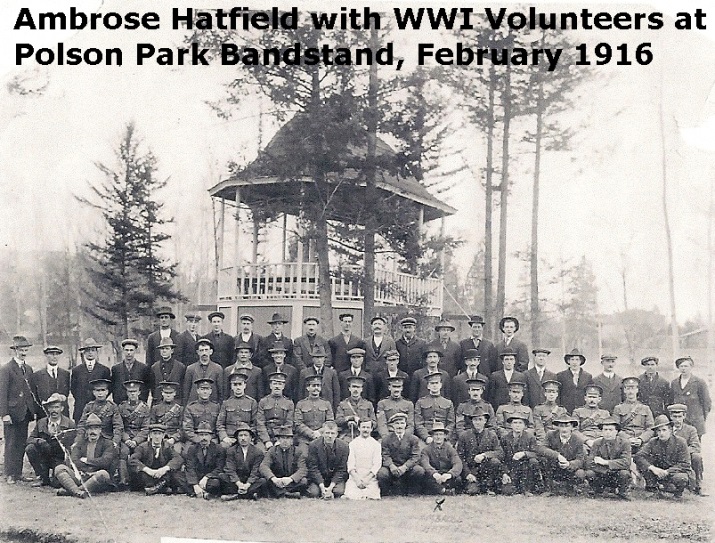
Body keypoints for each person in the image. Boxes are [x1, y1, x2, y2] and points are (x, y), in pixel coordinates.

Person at [1, 336, 37, 483]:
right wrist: (4, 414)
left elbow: (30, 392)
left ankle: (18, 472)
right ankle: (10, 474)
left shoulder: (28, 369)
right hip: (12, 413)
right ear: (15, 350)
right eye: (20, 349)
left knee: (22, 442)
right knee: (10, 443)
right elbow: (2, 393)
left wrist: (32, 410)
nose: (23, 352)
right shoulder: (6, 369)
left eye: (25, 349)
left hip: (25, 413)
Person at [55, 413, 117, 498]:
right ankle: (77, 491)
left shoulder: (108, 443)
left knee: (103, 473)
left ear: (100, 430)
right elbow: (73, 460)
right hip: (82, 475)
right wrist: (85, 471)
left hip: (97, 478)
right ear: (86, 431)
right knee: (59, 468)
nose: (93, 431)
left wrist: (87, 460)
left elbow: (105, 461)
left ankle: (72, 491)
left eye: (96, 428)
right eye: (90, 428)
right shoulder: (80, 443)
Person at [25, 393, 76, 487]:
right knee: (30, 448)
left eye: (56, 407)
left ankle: (56, 475)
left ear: (62, 409)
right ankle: (42, 477)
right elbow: (30, 439)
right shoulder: (41, 422)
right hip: (43, 457)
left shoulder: (69, 424)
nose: (54, 410)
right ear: (48, 409)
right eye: (51, 407)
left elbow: (73, 445)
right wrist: (39, 441)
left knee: (57, 484)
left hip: (59, 457)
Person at [635, 415, 691, 499]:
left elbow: (685, 464)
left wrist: (667, 471)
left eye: (664, 430)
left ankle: (677, 492)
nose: (661, 433)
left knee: (682, 478)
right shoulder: (653, 442)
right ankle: (653, 489)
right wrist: (653, 468)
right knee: (644, 465)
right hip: (657, 472)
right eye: (659, 431)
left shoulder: (681, 442)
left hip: (673, 472)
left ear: (670, 430)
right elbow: (638, 456)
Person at [457, 407, 503, 496]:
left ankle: (489, 486)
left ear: (485, 421)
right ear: (472, 421)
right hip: (471, 470)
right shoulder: (464, 436)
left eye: (480, 419)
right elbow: (459, 457)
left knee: (495, 461)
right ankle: (474, 485)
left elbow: (500, 452)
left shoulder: (491, 435)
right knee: (473, 491)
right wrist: (468, 474)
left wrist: (485, 455)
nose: (477, 422)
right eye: (475, 420)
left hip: (486, 471)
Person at [129, 423, 186, 495]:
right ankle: (161, 488)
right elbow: (132, 460)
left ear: (163, 436)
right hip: (148, 475)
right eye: (154, 434)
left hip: (162, 474)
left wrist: (165, 469)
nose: (157, 437)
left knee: (173, 474)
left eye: (159, 434)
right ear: (150, 435)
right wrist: (147, 470)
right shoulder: (143, 447)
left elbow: (178, 459)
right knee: (141, 475)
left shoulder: (167, 447)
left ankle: (157, 488)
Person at [537, 414, 587, 495]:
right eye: (561, 426)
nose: (564, 429)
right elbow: (541, 448)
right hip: (554, 467)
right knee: (543, 460)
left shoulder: (578, 440)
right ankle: (549, 489)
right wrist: (557, 456)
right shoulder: (551, 435)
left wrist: (569, 464)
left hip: (569, 469)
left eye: (567, 426)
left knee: (580, 473)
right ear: (558, 427)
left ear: (572, 427)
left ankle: (570, 488)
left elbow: (580, 459)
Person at [584, 417, 632, 500]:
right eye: (605, 430)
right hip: (601, 474)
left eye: (610, 430)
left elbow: (626, 462)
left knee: (624, 473)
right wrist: (606, 471)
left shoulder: (625, 443)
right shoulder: (597, 443)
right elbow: (590, 462)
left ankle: (622, 492)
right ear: (602, 431)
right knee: (589, 473)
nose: (607, 433)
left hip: (617, 475)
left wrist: (606, 462)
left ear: (616, 431)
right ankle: (597, 490)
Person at [377, 413, 423, 496]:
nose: (399, 426)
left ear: (405, 425)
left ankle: (412, 492)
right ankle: (387, 492)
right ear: (392, 426)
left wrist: (405, 467)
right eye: (397, 423)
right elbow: (385, 455)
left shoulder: (413, 439)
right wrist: (391, 466)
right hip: (392, 468)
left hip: (407, 468)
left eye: (402, 423)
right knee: (382, 473)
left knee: (419, 470)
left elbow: (415, 456)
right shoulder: (386, 439)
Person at [259, 424, 308, 498]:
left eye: (288, 438)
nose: (285, 441)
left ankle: (281, 493)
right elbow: (264, 466)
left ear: (292, 440)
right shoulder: (272, 450)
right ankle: (288, 494)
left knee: (303, 481)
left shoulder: (297, 451)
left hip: (290, 481)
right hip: (276, 481)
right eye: (282, 438)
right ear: (278, 440)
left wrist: (290, 479)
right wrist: (274, 479)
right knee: (264, 481)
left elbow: (302, 469)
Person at [220, 422, 266, 501]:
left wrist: (248, 484)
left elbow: (256, 471)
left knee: (263, 481)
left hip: (250, 481)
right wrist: (238, 483)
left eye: (246, 435)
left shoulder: (258, 452)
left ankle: (236, 495)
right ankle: (249, 494)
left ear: (251, 437)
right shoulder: (231, 451)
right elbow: (230, 469)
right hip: (236, 481)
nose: (243, 438)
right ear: (237, 438)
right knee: (222, 476)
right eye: (240, 435)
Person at [117, 380, 150, 487]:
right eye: (130, 391)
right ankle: (123, 480)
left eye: (134, 391)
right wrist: (126, 439)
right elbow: (119, 426)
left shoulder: (145, 408)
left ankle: (139, 481)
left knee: (140, 452)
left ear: (139, 392)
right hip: (125, 438)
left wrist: (135, 441)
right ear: (127, 393)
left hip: (139, 439)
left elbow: (145, 428)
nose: (132, 394)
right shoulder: (121, 407)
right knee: (123, 452)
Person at [70, 338, 111, 423]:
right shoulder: (76, 370)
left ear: (96, 352)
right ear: (84, 353)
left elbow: (108, 388)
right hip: (81, 409)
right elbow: (73, 389)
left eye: (93, 350)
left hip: (99, 409)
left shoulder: (104, 370)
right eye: (88, 350)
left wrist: (99, 399)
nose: (90, 353)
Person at [500, 412, 541, 496]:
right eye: (515, 423)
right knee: (507, 491)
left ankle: (528, 488)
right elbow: (501, 457)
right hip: (510, 469)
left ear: (524, 426)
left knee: (533, 461)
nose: (517, 425)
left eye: (520, 423)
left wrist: (524, 453)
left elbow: (536, 453)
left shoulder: (530, 437)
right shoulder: (505, 438)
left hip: (525, 469)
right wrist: (504, 472)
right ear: (510, 425)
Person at [306, 420, 349, 499]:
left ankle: (330, 491)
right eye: (327, 433)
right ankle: (323, 490)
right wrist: (322, 486)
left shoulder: (344, 446)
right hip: (319, 478)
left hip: (335, 478)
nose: (330, 436)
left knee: (338, 492)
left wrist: (331, 487)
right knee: (313, 493)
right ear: (322, 433)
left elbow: (342, 469)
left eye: (332, 433)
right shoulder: (313, 445)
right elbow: (313, 468)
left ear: (336, 434)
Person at [667, 403, 704, 495]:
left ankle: (698, 485)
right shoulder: (666, 429)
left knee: (696, 457)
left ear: (684, 416)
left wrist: (682, 453)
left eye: (680, 416)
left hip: (685, 458)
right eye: (675, 416)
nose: (677, 420)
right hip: (668, 458)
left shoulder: (691, 430)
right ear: (671, 416)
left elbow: (695, 446)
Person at [670, 356, 711, 439]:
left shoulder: (699, 382)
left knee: (694, 446)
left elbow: (706, 402)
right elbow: (671, 401)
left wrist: (701, 417)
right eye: (681, 366)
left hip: (695, 420)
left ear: (691, 367)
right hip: (679, 421)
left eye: (686, 366)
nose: (683, 369)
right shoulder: (674, 383)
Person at [184, 421, 226, 498]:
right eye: (201, 435)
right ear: (197, 436)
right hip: (196, 477)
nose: (204, 438)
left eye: (206, 435)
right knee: (180, 477)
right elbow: (190, 467)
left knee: (216, 483)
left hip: (210, 479)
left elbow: (219, 468)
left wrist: (207, 477)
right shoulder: (192, 448)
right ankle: (203, 492)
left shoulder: (219, 449)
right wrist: (195, 484)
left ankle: (194, 492)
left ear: (211, 436)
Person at [217, 370, 258, 449]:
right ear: (232, 387)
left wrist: (249, 437)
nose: (238, 387)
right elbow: (220, 424)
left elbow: (254, 424)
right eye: (235, 385)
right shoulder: (226, 403)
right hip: (230, 437)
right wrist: (224, 437)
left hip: (246, 437)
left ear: (244, 385)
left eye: (240, 384)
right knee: (222, 448)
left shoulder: (252, 402)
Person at [613, 376, 654, 452]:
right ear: (624, 390)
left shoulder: (645, 408)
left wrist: (641, 439)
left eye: (633, 388)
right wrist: (628, 438)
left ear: (637, 390)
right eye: (628, 388)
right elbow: (616, 428)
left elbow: (651, 428)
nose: (630, 392)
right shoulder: (618, 408)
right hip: (624, 440)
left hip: (642, 441)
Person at [78, 378, 123, 447]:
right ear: (94, 392)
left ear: (107, 392)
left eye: (103, 390)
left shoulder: (112, 407)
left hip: (107, 438)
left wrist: (115, 441)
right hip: (92, 438)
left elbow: (118, 426)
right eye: (97, 390)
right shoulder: (89, 406)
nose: (100, 393)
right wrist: (79, 441)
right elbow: (82, 426)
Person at [420, 422, 462, 496]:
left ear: (444, 436)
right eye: (436, 434)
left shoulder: (450, 449)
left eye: (441, 434)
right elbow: (425, 464)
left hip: (446, 475)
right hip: (433, 476)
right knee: (426, 479)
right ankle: (444, 491)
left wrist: (449, 474)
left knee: (458, 479)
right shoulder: (426, 450)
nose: (438, 437)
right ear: (432, 436)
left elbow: (457, 463)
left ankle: (442, 490)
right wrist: (434, 474)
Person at [344, 419, 382, 499]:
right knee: (352, 495)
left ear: (371, 429)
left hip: (370, 478)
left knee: (371, 496)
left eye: (368, 427)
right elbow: (350, 463)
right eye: (363, 427)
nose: (365, 430)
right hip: (355, 478)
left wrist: (367, 479)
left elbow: (377, 464)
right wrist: (357, 479)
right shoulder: (352, 444)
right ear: (359, 428)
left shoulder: (376, 445)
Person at [256, 372, 295, 450]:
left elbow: (289, 424)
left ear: (283, 386)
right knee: (259, 451)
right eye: (275, 383)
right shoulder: (263, 402)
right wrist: (266, 441)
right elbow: (260, 423)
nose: (277, 386)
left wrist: (280, 440)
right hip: (265, 436)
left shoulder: (289, 403)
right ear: (270, 386)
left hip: (283, 436)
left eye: (280, 384)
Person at [181, 378, 220, 454]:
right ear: (198, 391)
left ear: (210, 391)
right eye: (202, 389)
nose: (205, 391)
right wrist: (198, 439)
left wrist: (209, 438)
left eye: (207, 389)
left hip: (212, 438)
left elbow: (218, 426)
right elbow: (187, 428)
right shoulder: (190, 407)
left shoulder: (216, 407)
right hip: (194, 439)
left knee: (218, 452)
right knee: (186, 452)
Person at [294, 375, 335, 448]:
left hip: (322, 438)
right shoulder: (301, 404)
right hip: (305, 440)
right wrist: (311, 434)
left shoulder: (326, 403)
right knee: (303, 455)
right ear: (308, 388)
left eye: (318, 386)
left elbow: (330, 422)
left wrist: (319, 432)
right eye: (313, 386)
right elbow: (298, 423)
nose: (316, 388)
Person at [415, 373, 455, 444]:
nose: (434, 385)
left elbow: (451, 423)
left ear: (441, 385)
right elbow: (418, 423)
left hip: (443, 436)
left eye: (436, 383)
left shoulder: (448, 403)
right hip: (427, 437)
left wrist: (444, 437)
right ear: (428, 386)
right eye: (432, 383)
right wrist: (426, 437)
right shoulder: (420, 402)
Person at [298, 344, 340, 412]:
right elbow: (300, 393)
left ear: (324, 358)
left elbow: (336, 394)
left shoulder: (331, 372)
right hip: (309, 409)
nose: (319, 360)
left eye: (321, 357)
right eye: (316, 357)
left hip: (327, 408)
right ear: (312, 359)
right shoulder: (304, 373)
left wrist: (335, 410)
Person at [31, 345, 71, 417]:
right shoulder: (37, 375)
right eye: (52, 354)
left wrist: (61, 397)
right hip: (44, 413)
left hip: (62, 413)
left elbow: (66, 393)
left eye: (57, 354)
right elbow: (35, 397)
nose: (54, 357)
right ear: (46, 355)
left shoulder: (65, 374)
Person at [183, 338, 224, 404]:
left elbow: (221, 392)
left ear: (211, 351)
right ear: (198, 352)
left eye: (206, 350)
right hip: (194, 406)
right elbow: (186, 392)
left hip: (212, 405)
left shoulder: (218, 369)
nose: (204, 353)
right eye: (201, 350)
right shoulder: (190, 369)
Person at [336, 375, 375, 443]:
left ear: (362, 389)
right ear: (349, 388)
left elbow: (374, 423)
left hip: (364, 435)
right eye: (353, 386)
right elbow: (337, 421)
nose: (356, 390)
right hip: (347, 436)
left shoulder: (368, 404)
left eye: (358, 387)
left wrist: (362, 422)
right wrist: (349, 419)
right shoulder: (343, 404)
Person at [110, 339, 150, 404]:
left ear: (135, 351)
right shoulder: (116, 368)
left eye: (131, 350)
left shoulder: (143, 368)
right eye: (126, 350)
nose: (129, 353)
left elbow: (145, 388)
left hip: (137, 405)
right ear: (123, 350)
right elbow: (114, 387)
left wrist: (142, 401)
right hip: (120, 404)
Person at [572, 384, 611, 450]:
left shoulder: (605, 413)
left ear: (599, 399)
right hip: (585, 441)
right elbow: (574, 430)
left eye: (594, 397)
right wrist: (587, 440)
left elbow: (609, 430)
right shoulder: (578, 412)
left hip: (602, 441)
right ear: (585, 398)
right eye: (590, 397)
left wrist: (602, 440)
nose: (592, 400)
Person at [148, 337, 186, 404]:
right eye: (162, 348)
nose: (164, 351)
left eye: (167, 348)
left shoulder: (180, 367)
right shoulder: (154, 367)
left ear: (172, 351)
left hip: (175, 405)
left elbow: (183, 388)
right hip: (158, 404)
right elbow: (153, 388)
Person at [148, 381, 183, 453]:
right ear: (162, 393)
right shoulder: (155, 408)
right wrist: (158, 437)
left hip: (174, 438)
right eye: (166, 393)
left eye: (170, 393)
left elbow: (182, 428)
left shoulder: (179, 409)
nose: (168, 395)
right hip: (158, 437)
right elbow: (151, 425)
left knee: (177, 451)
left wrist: (174, 438)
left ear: (174, 393)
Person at [556, 348, 593, 414]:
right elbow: (557, 394)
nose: (574, 362)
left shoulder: (587, 376)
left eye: (577, 360)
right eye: (572, 359)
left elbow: (589, 394)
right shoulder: (561, 376)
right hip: (566, 411)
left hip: (583, 411)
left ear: (580, 361)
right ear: (568, 361)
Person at [533, 380, 568, 444]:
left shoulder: (562, 410)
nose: (551, 394)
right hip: (543, 439)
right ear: (545, 394)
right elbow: (539, 428)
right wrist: (544, 441)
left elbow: (564, 427)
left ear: (557, 394)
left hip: (559, 440)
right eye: (549, 392)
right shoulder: (538, 409)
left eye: (553, 392)